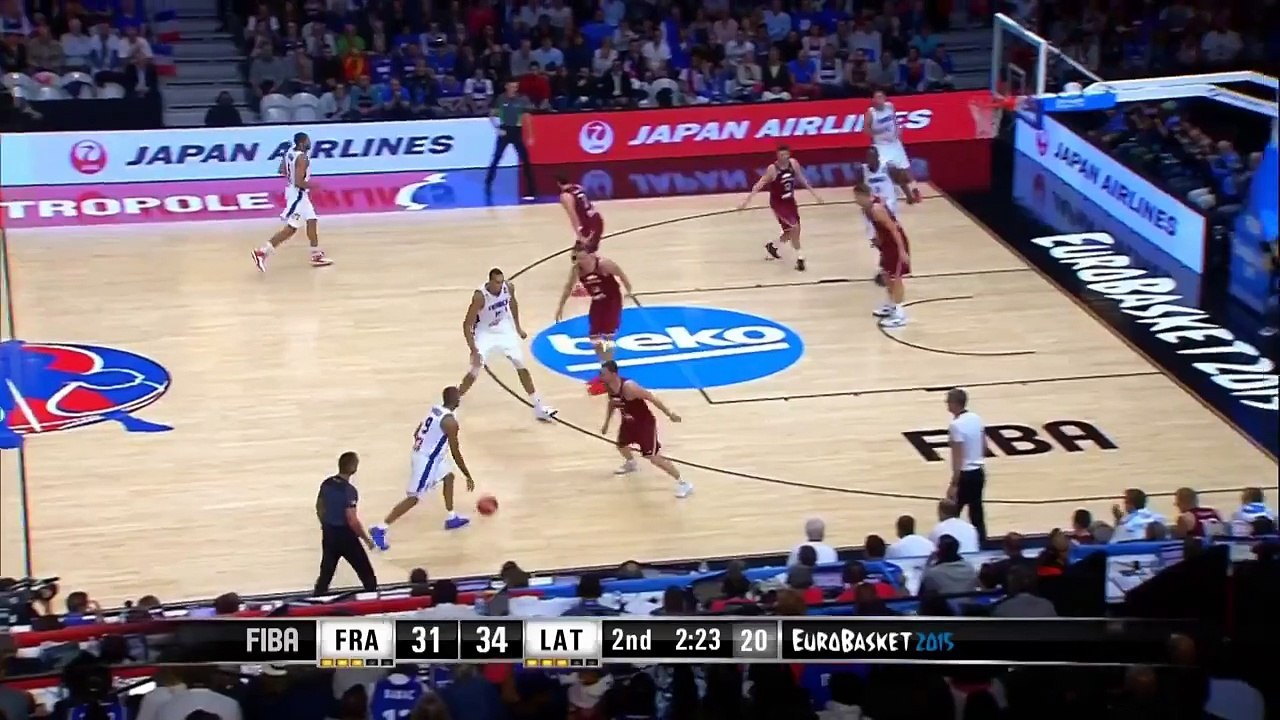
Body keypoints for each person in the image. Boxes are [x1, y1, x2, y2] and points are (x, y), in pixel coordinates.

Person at [371, 387, 475, 550]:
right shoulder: (450, 422)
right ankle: (380, 528)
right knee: (414, 498)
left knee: (449, 476)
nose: (460, 400)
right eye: (458, 397)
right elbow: (455, 451)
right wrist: (467, 474)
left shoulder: (436, 410)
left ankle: (451, 517)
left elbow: (416, 432)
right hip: (426, 461)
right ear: (454, 401)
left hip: (427, 455)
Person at [457, 268, 557, 421]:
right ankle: (454, 401)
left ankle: (538, 407)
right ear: (490, 281)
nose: (500, 285)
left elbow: (513, 304)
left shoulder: (508, 287)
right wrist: (473, 350)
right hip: (485, 331)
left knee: (521, 365)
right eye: (497, 282)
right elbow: (466, 325)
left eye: (501, 281)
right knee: (475, 369)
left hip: (504, 328)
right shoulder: (480, 296)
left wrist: (518, 328)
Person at [599, 360, 692, 498]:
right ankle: (631, 463)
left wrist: (669, 414)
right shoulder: (609, 386)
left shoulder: (629, 387)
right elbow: (612, 403)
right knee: (621, 446)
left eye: (603, 373)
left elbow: (651, 397)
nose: (600, 376)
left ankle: (683, 482)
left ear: (613, 374)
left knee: (652, 457)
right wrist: (606, 423)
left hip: (644, 424)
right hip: (628, 422)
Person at [555, 247, 634, 396]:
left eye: (584, 258)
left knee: (608, 337)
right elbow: (567, 288)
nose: (582, 261)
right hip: (597, 302)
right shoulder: (577, 271)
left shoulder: (603, 264)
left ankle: (610, 375)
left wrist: (629, 288)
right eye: (578, 258)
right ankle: (605, 369)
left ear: (591, 256)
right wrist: (560, 307)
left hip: (612, 301)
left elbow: (620, 273)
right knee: (594, 338)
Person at [252, 131, 333, 271]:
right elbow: (299, 182)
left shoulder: (289, 152)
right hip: (298, 195)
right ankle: (262, 252)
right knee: (291, 229)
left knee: (312, 220)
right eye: (308, 141)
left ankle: (316, 254)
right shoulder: (302, 158)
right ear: (302, 143)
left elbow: (281, 170)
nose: (310, 143)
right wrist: (315, 186)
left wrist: (292, 177)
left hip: (295, 193)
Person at [737, 144, 822, 271]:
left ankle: (772, 246)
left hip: (790, 202)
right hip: (778, 204)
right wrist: (746, 201)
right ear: (777, 156)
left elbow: (802, 179)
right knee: (795, 227)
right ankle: (800, 258)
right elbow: (760, 184)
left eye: (786, 154)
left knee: (789, 233)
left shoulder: (793, 164)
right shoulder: (773, 169)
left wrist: (815, 195)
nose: (785, 157)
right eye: (782, 155)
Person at [313, 451, 378, 595]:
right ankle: (373, 603)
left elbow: (319, 506)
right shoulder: (349, 491)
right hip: (346, 537)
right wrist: (367, 541)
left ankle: (315, 603)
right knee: (366, 574)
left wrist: (324, 523)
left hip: (329, 533)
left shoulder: (327, 483)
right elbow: (352, 520)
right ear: (353, 467)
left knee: (326, 575)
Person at [854, 145, 917, 286]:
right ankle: (888, 262)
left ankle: (893, 264)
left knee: (891, 233)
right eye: (868, 157)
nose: (870, 159)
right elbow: (859, 189)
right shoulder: (862, 170)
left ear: (877, 157)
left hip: (887, 209)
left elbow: (901, 181)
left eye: (872, 156)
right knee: (875, 238)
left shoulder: (887, 168)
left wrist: (909, 195)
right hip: (870, 210)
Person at [853, 182, 910, 327]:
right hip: (886, 245)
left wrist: (902, 251)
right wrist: (878, 242)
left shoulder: (876, 209)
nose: (855, 200)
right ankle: (891, 305)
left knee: (895, 278)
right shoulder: (868, 208)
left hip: (896, 244)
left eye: (857, 197)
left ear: (864, 195)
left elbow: (894, 229)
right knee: (886, 275)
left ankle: (899, 314)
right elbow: (879, 228)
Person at [945, 387, 987, 540]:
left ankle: (948, 546)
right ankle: (982, 545)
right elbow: (984, 445)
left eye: (948, 401)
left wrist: (954, 484)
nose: (946, 404)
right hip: (979, 472)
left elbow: (958, 457)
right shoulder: (976, 418)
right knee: (977, 515)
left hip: (965, 475)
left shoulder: (955, 425)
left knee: (950, 515)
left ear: (955, 403)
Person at [864, 89, 921, 202]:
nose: (878, 99)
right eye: (876, 97)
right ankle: (879, 195)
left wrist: (898, 130)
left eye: (881, 97)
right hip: (881, 146)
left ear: (885, 98)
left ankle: (915, 192)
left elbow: (894, 121)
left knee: (905, 169)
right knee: (886, 172)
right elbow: (866, 130)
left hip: (894, 143)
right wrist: (877, 134)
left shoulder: (890, 106)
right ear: (873, 100)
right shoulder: (871, 113)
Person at [484, 80, 536, 201]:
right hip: (504, 130)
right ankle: (487, 183)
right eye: (512, 86)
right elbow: (491, 114)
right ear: (506, 86)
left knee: (525, 159)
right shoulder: (501, 98)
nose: (514, 89)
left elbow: (527, 117)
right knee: (496, 157)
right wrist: (497, 128)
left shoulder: (522, 99)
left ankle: (532, 188)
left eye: (516, 87)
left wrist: (531, 135)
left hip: (517, 131)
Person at [558, 175, 605, 252]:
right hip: (596, 218)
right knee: (582, 254)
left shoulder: (565, 196)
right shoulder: (578, 187)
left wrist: (580, 234)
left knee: (583, 255)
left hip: (588, 224)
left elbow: (573, 216)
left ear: (558, 184)